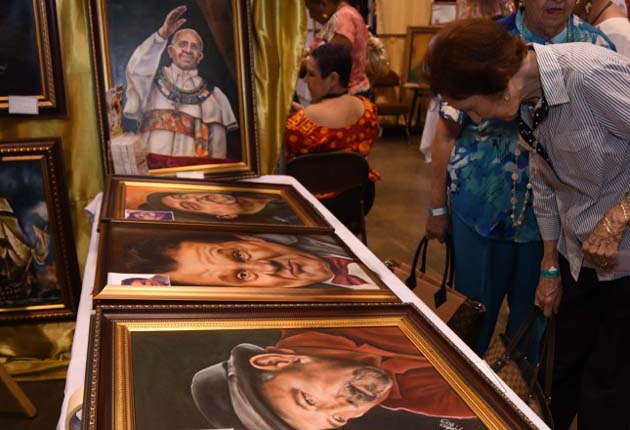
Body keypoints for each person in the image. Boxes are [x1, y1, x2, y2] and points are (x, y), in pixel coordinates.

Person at [422, 18, 630, 430]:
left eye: (472, 108)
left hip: (624, 262)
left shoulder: (589, 73)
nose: (475, 119)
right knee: (559, 377)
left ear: (500, 83)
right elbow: (545, 180)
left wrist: (619, 214)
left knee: (609, 390)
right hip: (579, 257)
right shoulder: (530, 99)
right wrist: (550, 261)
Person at [190, 327, 477, 430]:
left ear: (274, 361)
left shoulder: (320, 309)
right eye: (338, 420)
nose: (350, 407)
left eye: (309, 400)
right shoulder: (410, 396)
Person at [124, 6, 238, 160]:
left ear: (199, 56)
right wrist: (162, 35)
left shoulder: (215, 96)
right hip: (151, 171)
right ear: (171, 51)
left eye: (194, 47)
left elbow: (218, 153)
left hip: (192, 173)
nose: (188, 50)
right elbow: (136, 69)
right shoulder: (149, 83)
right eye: (182, 44)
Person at [286, 43, 380, 221]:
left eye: (311, 74)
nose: (305, 80)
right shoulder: (368, 111)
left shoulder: (297, 125)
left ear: (333, 79)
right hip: (357, 201)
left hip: (313, 207)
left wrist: (303, 115)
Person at [122, 232, 380, 290]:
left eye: (239, 255)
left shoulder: (325, 233)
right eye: (242, 276)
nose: (267, 267)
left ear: (249, 238)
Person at [304, 0, 371, 98]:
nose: (311, 16)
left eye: (311, 10)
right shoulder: (344, 15)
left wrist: (303, 63)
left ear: (323, 4)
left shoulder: (345, 17)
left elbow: (333, 60)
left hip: (348, 95)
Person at [137, 191, 299, 223]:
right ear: (225, 217)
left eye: (184, 196)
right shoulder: (283, 220)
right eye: (192, 205)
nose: (198, 197)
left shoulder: (269, 190)